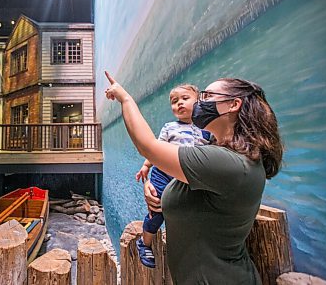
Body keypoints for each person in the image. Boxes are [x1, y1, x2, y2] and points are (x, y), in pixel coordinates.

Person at [104, 71, 282, 284]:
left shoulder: (227, 162)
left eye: (207, 96)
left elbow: (148, 146)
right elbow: (183, 180)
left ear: (233, 105)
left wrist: (125, 98)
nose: (201, 103)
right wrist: (151, 186)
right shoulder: (220, 154)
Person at [135, 84, 212, 269]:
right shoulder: (169, 127)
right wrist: (146, 166)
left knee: (188, 213)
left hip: (188, 177)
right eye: (174, 101)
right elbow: (155, 150)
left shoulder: (207, 130)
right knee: (157, 211)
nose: (179, 104)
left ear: (198, 100)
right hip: (163, 174)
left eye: (185, 99)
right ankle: (144, 244)